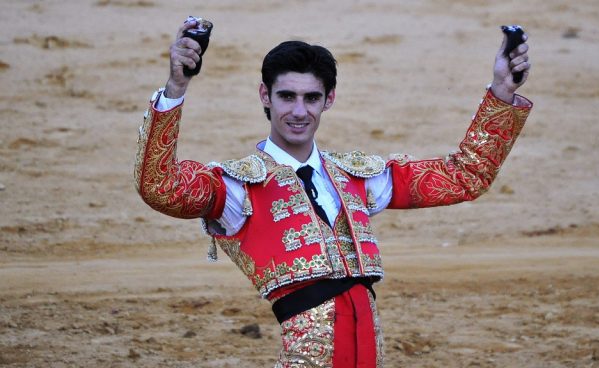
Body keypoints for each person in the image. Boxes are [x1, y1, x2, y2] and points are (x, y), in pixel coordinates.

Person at [134, 17, 532, 368]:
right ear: (265, 98)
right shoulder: (239, 187)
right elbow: (160, 188)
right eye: (286, 96)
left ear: (329, 100)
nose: (298, 111)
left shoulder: (355, 177)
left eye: (311, 98)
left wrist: (500, 92)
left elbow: (465, 176)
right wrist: (176, 87)